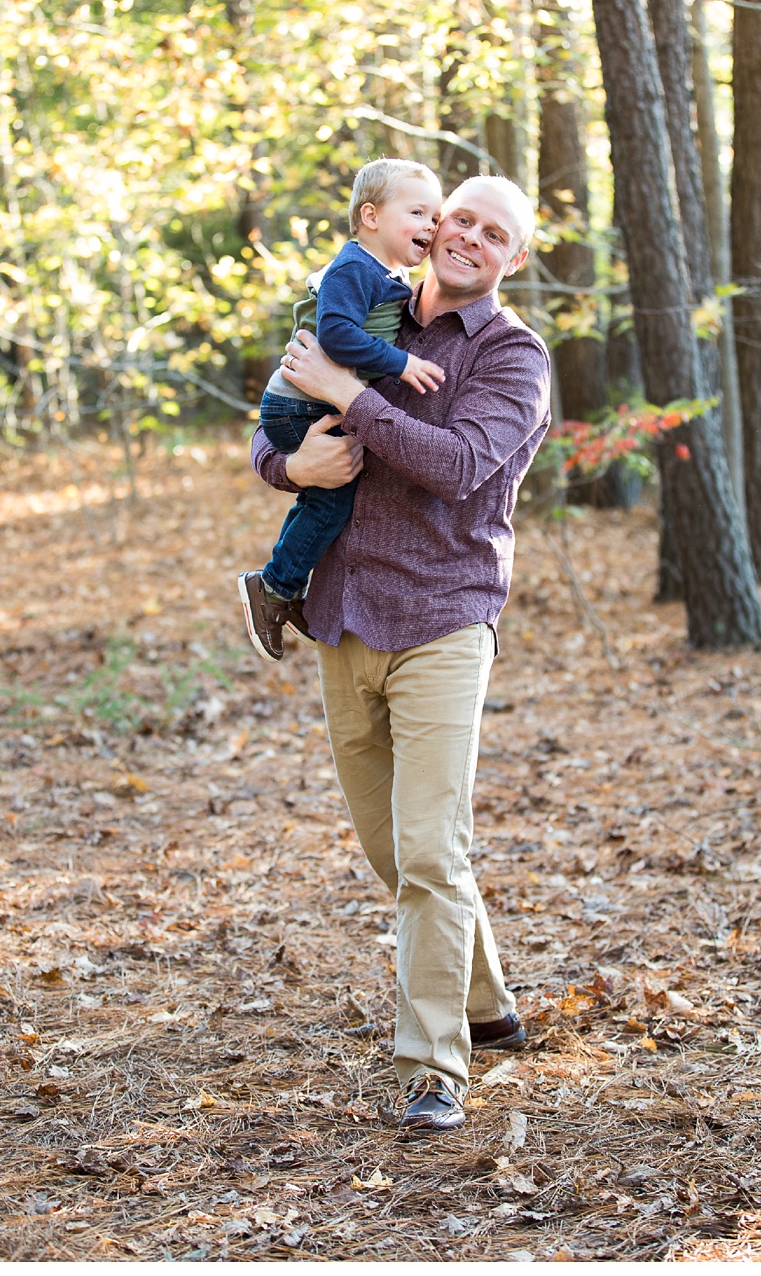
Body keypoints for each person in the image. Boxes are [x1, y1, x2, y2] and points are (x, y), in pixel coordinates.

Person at [251, 175, 551, 1134]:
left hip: (442, 617)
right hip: (343, 611)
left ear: (515, 257)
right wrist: (288, 467)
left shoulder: (514, 356)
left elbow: (459, 467)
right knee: (398, 852)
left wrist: (350, 392)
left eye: (493, 233)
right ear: (432, 222)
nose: (466, 236)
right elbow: (276, 418)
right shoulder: (363, 298)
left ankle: (435, 1067)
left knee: (428, 848)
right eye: (459, 216)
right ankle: (487, 1001)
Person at [238, 159, 448, 662]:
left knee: (321, 500)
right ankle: (275, 587)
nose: (431, 226)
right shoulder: (354, 267)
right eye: (418, 212)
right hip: (297, 406)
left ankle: (280, 584)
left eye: (436, 217)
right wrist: (401, 363)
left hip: (306, 402)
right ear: (371, 216)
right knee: (331, 502)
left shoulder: (385, 273)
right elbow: (335, 334)